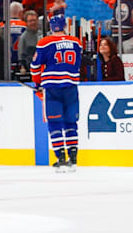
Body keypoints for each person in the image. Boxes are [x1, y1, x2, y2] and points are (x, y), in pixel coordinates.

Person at [30, 13, 82, 171]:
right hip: (71, 86)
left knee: (55, 123)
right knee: (71, 122)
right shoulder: (76, 42)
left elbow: (35, 66)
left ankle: (60, 157)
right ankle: (73, 158)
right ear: (65, 25)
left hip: (52, 87)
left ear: (51, 27)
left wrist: (37, 83)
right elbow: (78, 64)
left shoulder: (44, 42)